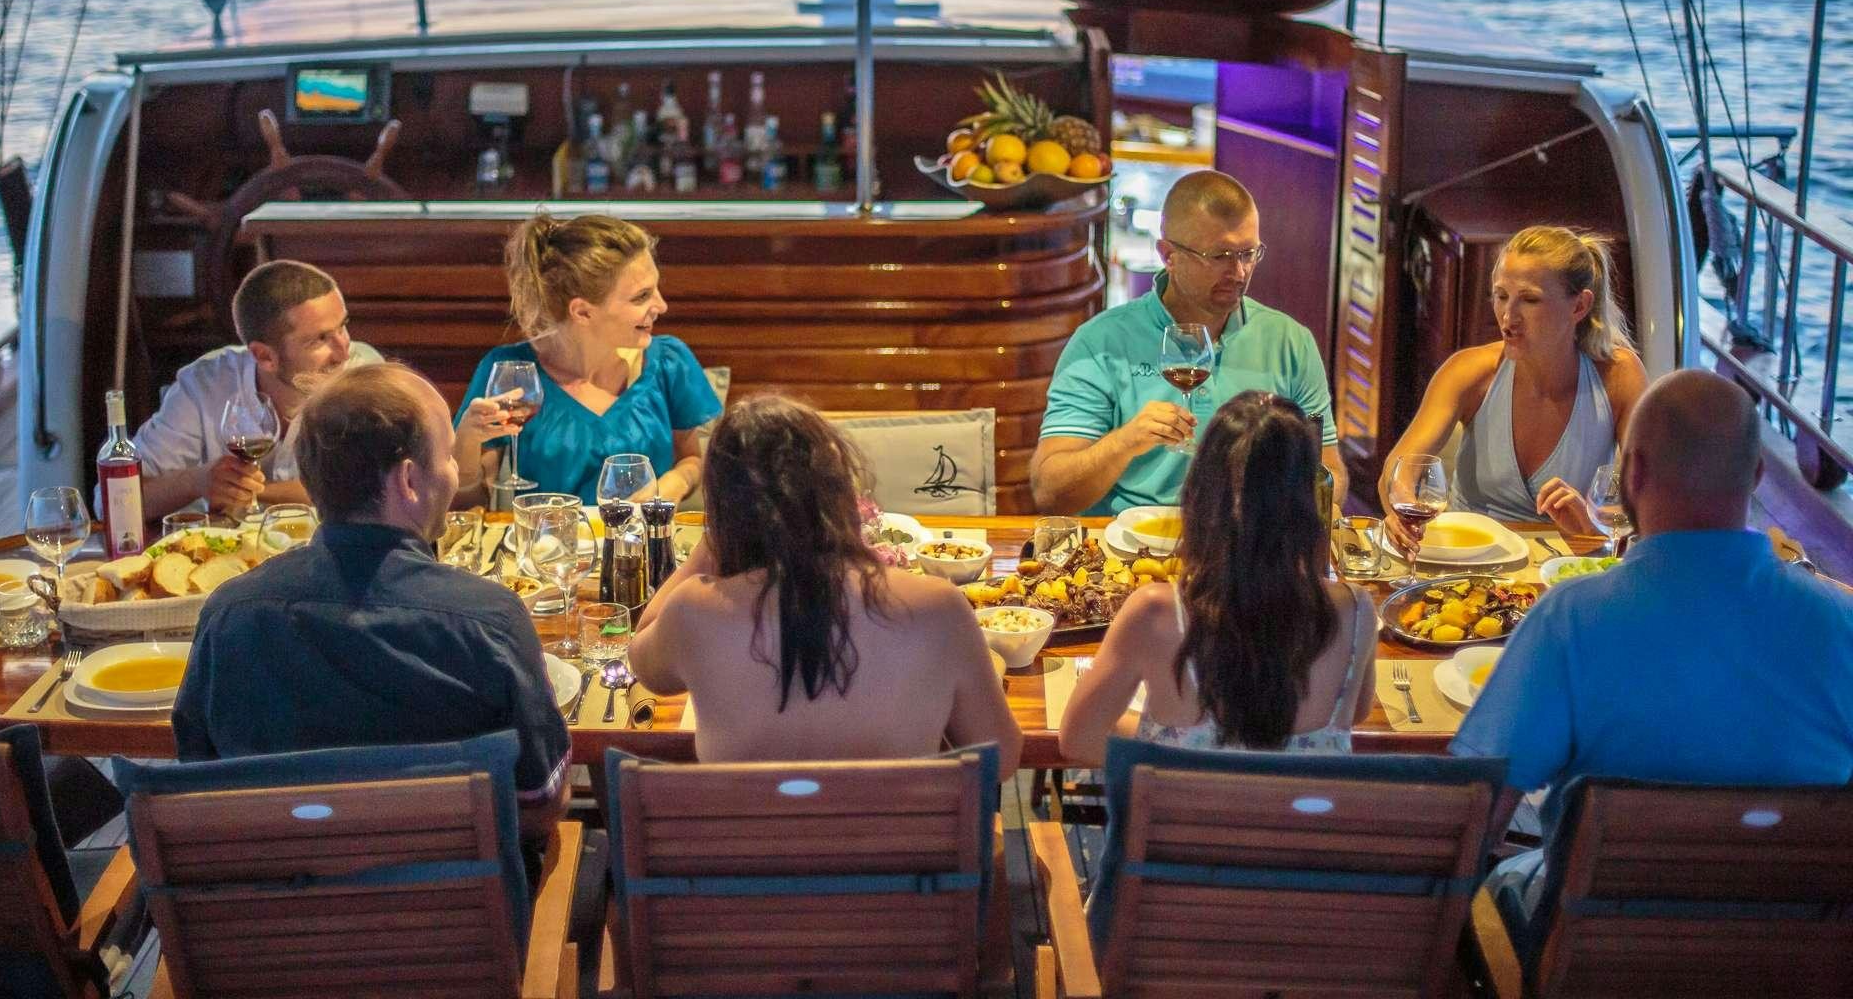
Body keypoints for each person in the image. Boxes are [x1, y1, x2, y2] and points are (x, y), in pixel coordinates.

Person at [1451, 369, 1853, 927]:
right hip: (1789, 964)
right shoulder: (1840, 624)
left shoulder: (1571, 620)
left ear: (1633, 471)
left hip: (1600, 964)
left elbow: (1478, 810)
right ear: (1758, 475)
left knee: (1501, 884)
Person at [172, 363, 572, 851]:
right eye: (447, 455)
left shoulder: (227, 615)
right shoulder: (489, 621)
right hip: (448, 915)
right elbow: (540, 803)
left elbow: (200, 783)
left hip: (277, 911)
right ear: (408, 480)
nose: (453, 472)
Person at [629, 394, 1022, 775]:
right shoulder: (937, 607)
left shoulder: (693, 613)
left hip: (752, 843)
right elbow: (1000, 759)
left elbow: (642, 658)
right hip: (897, 843)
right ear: (839, 493)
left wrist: (713, 541)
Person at [1060, 392, 1375, 765]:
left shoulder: (1153, 613)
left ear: (1199, 495)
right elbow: (1353, 712)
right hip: (1300, 822)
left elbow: (1079, 740)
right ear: (1307, 505)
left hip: (1184, 822)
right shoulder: (1357, 613)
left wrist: (1159, 736)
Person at [1032, 171, 1344, 517]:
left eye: (1248, 253)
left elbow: (1330, 472)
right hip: (1132, 552)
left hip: (1250, 547)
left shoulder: (1289, 340)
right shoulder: (1102, 342)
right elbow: (1050, 491)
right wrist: (1125, 442)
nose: (1239, 272)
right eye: (1220, 256)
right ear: (1168, 254)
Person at [1381, 226, 1646, 557]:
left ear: (1579, 306)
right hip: (1469, 569)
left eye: (1530, 300)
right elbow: (1400, 467)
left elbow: (1649, 505)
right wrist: (1403, 503)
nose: (1508, 317)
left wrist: (1591, 529)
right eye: (1501, 295)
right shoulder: (1468, 371)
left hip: (1566, 574)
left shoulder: (1619, 374)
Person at [454, 213, 721, 505]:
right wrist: (467, 438)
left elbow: (692, 459)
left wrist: (676, 481)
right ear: (582, 312)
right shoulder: (511, 372)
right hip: (550, 548)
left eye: (656, 288)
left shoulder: (669, 361)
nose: (662, 305)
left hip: (643, 546)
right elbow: (469, 501)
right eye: (641, 296)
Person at [137, 259, 382, 520]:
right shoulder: (204, 385)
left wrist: (252, 490)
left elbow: (372, 490)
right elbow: (116, 500)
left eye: (342, 327)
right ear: (265, 356)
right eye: (320, 339)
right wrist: (197, 481)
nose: (343, 351)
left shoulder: (364, 375)